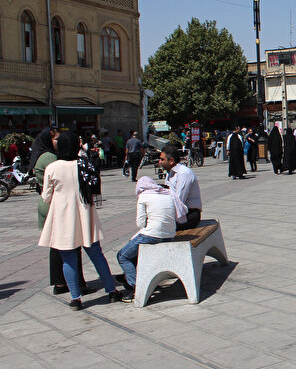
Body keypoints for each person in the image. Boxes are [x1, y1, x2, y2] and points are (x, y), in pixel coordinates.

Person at [38, 132, 123, 309]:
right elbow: (94, 190)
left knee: (68, 258)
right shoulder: (86, 164)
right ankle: (112, 291)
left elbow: (46, 197)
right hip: (86, 214)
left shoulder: (53, 168)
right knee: (97, 255)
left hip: (63, 217)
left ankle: (75, 298)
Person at [33, 128, 93, 296]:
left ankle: (61, 283)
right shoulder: (53, 159)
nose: (60, 142)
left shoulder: (45, 156)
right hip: (58, 205)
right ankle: (75, 284)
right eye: (57, 139)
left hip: (51, 203)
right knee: (72, 245)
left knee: (58, 245)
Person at [116, 176, 186, 302]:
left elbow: (140, 224)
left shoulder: (143, 196)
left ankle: (135, 288)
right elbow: (183, 210)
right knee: (134, 250)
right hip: (169, 235)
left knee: (123, 256)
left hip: (152, 235)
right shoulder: (168, 193)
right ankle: (129, 277)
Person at [159, 145, 202, 230]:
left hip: (189, 215)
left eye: (162, 159)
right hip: (178, 212)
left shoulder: (184, 173)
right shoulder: (170, 173)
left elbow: (179, 200)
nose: (160, 162)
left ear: (171, 161)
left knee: (159, 227)